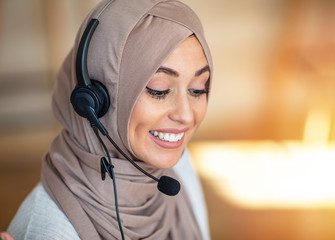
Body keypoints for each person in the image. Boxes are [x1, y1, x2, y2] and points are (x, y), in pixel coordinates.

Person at [6, 0, 213, 239]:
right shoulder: (48, 229)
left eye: (198, 89)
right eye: (159, 89)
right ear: (95, 99)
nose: (186, 115)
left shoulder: (177, 171)